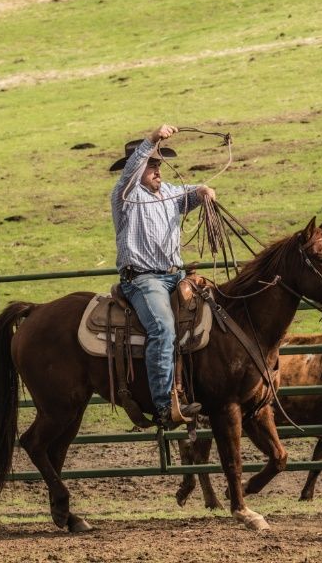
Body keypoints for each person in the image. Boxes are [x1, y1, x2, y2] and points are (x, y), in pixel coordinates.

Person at [109, 124, 216, 428]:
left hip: (174, 274)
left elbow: (191, 194)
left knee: (216, 313)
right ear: (138, 167)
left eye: (159, 164)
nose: (157, 170)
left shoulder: (168, 192)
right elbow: (131, 173)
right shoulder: (125, 194)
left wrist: (204, 191)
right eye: (151, 164)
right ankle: (162, 406)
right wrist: (152, 139)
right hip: (143, 280)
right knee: (162, 328)